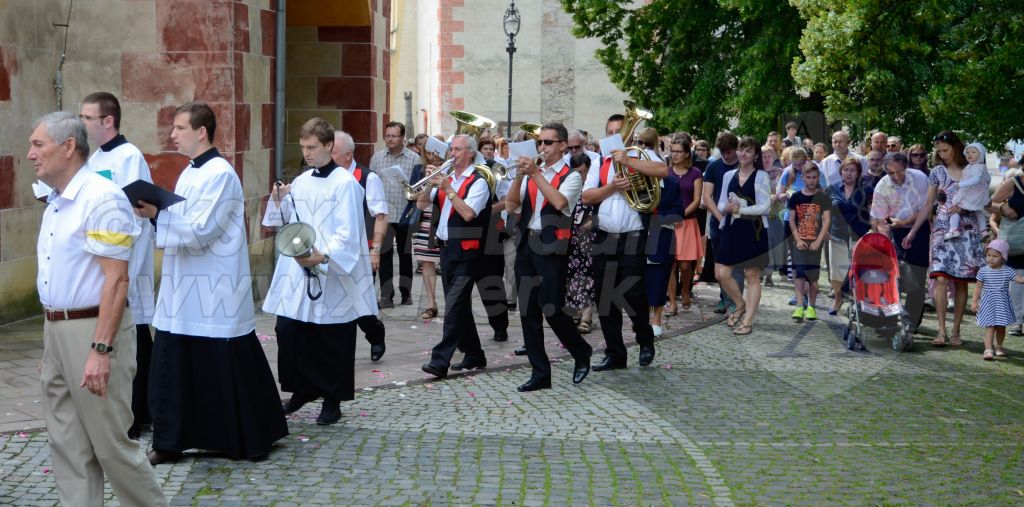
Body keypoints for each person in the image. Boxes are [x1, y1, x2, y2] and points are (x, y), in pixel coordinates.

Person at [138, 102, 287, 465]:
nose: (172, 135)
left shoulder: (220, 174)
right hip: (183, 286)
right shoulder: (190, 171)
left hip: (213, 286)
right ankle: (171, 440)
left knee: (220, 365)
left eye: (179, 128)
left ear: (201, 131)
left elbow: (202, 230)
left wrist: (158, 214)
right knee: (175, 366)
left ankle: (242, 436)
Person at [31, 112, 167, 507]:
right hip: (57, 329)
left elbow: (117, 281)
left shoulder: (101, 197)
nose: (30, 154)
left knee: (110, 445)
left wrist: (100, 351)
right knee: (67, 444)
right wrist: (52, 344)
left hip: (94, 329)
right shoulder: (57, 201)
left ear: (68, 147)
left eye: (39, 144)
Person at [263, 118, 377, 425]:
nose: (307, 153)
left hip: (329, 268)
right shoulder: (302, 181)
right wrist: (279, 199)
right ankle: (302, 389)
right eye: (303, 148)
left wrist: (323, 257)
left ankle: (332, 399)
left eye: (312, 147)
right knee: (289, 330)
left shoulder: (345, 184)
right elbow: (285, 220)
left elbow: (349, 232)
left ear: (329, 146)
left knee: (331, 337)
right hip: (297, 266)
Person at [79, 92, 155, 439]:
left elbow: (134, 213)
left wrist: (130, 266)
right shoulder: (94, 158)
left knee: (134, 336)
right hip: (101, 258)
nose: (82, 125)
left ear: (108, 121)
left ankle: (139, 414)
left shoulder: (129, 156)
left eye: (87, 118)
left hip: (126, 259)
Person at [505, 123, 593, 391]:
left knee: (551, 308)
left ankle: (581, 351)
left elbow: (559, 203)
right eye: (540, 143)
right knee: (528, 312)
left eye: (548, 143)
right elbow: (511, 205)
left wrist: (535, 174)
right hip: (527, 244)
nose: (542, 147)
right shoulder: (534, 173)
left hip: (552, 247)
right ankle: (540, 373)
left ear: (563, 145)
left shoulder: (572, 176)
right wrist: (521, 176)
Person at [582, 127, 669, 370]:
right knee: (605, 297)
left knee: (633, 294)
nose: (613, 135)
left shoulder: (641, 154)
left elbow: (663, 171)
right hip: (604, 236)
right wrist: (613, 187)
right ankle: (615, 354)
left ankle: (645, 341)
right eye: (608, 131)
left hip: (633, 234)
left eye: (618, 131)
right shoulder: (600, 160)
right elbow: (587, 197)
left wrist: (628, 160)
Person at [418, 134, 493, 378]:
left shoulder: (478, 181)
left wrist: (449, 189)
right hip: (447, 249)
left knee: (453, 306)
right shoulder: (446, 176)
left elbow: (469, 213)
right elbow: (420, 204)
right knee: (460, 306)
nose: (453, 154)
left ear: (470, 153)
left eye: (458, 150)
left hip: (469, 251)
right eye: (452, 149)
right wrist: (431, 182)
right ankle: (474, 354)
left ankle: (440, 361)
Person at [924, 131, 985, 346]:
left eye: (946, 150)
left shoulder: (973, 170)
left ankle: (956, 331)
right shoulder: (937, 172)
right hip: (942, 230)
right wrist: (912, 229)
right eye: (939, 151)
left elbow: (982, 200)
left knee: (961, 283)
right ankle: (941, 331)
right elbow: (928, 204)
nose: (942, 155)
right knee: (940, 279)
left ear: (956, 148)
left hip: (968, 231)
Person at [332, 130, 388, 361]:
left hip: (360, 252)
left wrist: (375, 250)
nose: (329, 155)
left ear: (347, 155)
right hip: (332, 251)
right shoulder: (325, 177)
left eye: (333, 151)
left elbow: (381, 215)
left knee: (359, 302)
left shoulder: (367, 177)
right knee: (336, 301)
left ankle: (375, 332)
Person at [715, 136, 772, 335]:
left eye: (748, 151)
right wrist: (727, 207)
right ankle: (740, 304)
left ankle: (747, 320)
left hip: (753, 230)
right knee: (722, 273)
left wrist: (741, 210)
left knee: (751, 275)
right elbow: (721, 202)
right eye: (741, 149)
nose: (743, 154)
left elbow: (766, 206)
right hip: (731, 228)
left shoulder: (761, 176)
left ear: (755, 155)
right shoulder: (728, 175)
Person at [870, 152, 931, 335]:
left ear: (906, 167)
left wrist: (906, 225)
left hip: (918, 229)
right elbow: (878, 219)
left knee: (917, 279)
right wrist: (884, 240)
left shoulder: (919, 178)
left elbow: (924, 210)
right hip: (893, 231)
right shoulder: (882, 186)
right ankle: (888, 321)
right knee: (891, 278)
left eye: (900, 172)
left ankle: (911, 323)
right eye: (891, 173)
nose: (896, 177)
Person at [370, 121, 419, 308]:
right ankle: (386, 296)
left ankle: (406, 293)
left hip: (405, 213)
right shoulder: (377, 158)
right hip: (384, 216)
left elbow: (419, 186)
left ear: (402, 138)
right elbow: (372, 185)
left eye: (393, 136)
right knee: (384, 255)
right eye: (387, 135)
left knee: (405, 256)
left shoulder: (414, 159)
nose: (389, 139)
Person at [701, 132, 744, 314]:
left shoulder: (743, 166)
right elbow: (707, 196)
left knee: (737, 265)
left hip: (740, 221)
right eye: (723, 152)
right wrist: (720, 218)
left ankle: (736, 301)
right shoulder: (714, 167)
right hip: (718, 222)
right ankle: (723, 297)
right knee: (720, 265)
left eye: (730, 151)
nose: (727, 155)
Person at [645, 142, 684, 337]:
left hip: (662, 237)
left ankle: (657, 317)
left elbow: (678, 213)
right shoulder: (639, 183)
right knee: (641, 280)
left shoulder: (671, 184)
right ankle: (643, 319)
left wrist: (656, 218)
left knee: (659, 280)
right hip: (640, 238)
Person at [827, 156, 873, 315]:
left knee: (857, 271)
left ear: (858, 173)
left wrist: (873, 230)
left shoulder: (866, 190)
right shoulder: (832, 189)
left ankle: (855, 302)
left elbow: (873, 212)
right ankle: (838, 298)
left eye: (852, 170)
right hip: (836, 234)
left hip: (859, 235)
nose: (849, 173)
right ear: (841, 172)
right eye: (846, 170)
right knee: (836, 271)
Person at [787, 165, 832, 321]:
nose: (811, 180)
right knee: (799, 273)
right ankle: (800, 306)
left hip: (815, 242)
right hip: (799, 242)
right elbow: (792, 220)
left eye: (814, 177)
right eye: (808, 177)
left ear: (818, 178)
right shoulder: (796, 197)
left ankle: (811, 306)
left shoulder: (823, 198)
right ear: (803, 178)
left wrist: (818, 241)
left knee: (813, 276)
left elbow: (826, 221)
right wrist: (798, 240)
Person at [666, 134, 704, 313]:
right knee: (670, 264)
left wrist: (680, 214)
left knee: (685, 265)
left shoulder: (695, 173)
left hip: (687, 222)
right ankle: (672, 302)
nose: (675, 155)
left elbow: (696, 201)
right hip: (669, 223)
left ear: (687, 154)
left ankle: (686, 289)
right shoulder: (666, 172)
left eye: (679, 152)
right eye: (672, 151)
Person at [972, 240, 1023, 360]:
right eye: (988, 255)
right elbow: (978, 288)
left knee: (1001, 327)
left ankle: (999, 347)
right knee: (989, 326)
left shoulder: (1008, 270)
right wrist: (974, 301)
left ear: (1003, 257)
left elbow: (1020, 280)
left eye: (995, 256)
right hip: (988, 303)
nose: (991, 258)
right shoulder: (983, 271)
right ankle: (988, 349)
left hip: (1002, 304)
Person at [564, 153, 598, 334]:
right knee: (570, 276)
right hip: (571, 236)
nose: (581, 176)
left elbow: (600, 209)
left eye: (584, 172)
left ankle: (586, 317)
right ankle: (574, 312)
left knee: (588, 277)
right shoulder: (569, 185)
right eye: (578, 172)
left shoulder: (592, 186)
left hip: (589, 238)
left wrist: (592, 221)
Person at [410, 149, 443, 321]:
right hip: (425, 219)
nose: (434, 156)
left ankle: (453, 303)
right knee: (427, 261)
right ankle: (431, 303)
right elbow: (411, 193)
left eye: (437, 153)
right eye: (430, 153)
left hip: (444, 216)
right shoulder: (419, 169)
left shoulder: (452, 168)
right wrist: (429, 182)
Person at [945, 142, 991, 240]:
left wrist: (960, 184)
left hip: (970, 194)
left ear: (980, 155)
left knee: (955, 206)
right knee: (978, 211)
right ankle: (984, 231)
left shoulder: (978, 167)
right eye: (968, 152)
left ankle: (953, 230)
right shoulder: (973, 166)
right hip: (975, 193)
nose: (970, 154)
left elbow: (976, 180)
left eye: (974, 152)